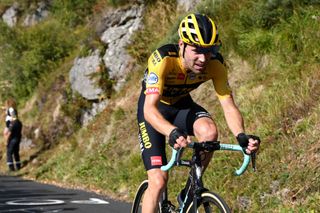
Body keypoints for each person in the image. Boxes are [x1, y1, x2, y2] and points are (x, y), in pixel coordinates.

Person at [137, 13, 261, 213]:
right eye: (197, 50)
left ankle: (189, 193)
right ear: (182, 45)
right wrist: (172, 132)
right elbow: (149, 109)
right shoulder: (163, 59)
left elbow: (228, 104)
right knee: (158, 181)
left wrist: (241, 135)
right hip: (153, 109)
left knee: (209, 132)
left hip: (181, 105)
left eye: (209, 50)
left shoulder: (215, 64)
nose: (203, 58)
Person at [4, 107, 23, 171]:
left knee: (9, 152)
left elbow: (9, 133)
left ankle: (11, 168)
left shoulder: (12, 123)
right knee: (16, 153)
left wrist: (6, 141)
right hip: (18, 139)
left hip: (12, 139)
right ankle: (18, 166)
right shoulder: (19, 122)